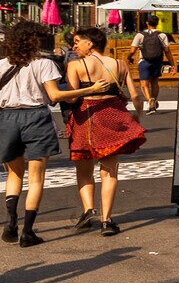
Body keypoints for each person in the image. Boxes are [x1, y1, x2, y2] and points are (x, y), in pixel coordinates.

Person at [63, 28, 145, 235]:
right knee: (109, 171)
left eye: (77, 42)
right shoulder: (119, 64)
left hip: (86, 119)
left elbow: (72, 98)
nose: (74, 46)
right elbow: (135, 95)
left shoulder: (75, 65)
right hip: (113, 116)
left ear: (90, 43)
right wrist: (137, 115)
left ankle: (89, 209)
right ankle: (107, 220)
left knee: (84, 170)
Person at [0, 20, 68, 247]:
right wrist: (90, 89)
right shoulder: (44, 64)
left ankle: (11, 221)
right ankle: (28, 232)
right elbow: (55, 96)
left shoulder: (1, 65)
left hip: (7, 118)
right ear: (33, 40)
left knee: (14, 174)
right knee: (36, 177)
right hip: (36, 117)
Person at [131, 22, 170, 113]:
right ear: (157, 23)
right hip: (157, 62)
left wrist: (129, 57)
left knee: (144, 84)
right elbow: (167, 50)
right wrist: (173, 64)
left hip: (144, 61)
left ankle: (150, 100)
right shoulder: (162, 35)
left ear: (147, 23)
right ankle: (153, 102)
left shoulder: (140, 35)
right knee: (155, 82)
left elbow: (132, 50)